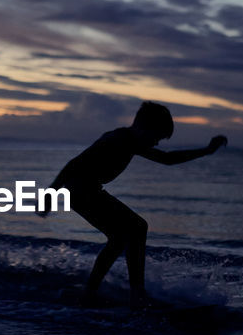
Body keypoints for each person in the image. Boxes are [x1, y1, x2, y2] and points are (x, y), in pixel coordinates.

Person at [47, 101, 227, 308]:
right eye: (156, 137)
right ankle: (132, 292)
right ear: (143, 128)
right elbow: (74, 164)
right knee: (135, 229)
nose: (156, 143)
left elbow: (166, 158)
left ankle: (101, 291)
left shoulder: (127, 139)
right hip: (80, 191)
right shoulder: (118, 139)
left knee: (123, 236)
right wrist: (50, 194)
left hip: (86, 190)